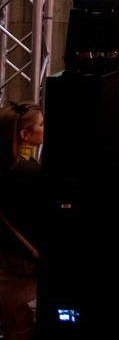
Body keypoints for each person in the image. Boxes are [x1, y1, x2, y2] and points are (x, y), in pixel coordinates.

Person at [0, 103, 44, 340]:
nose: (45, 128)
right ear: (24, 134)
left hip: (6, 267)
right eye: (41, 124)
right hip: (24, 274)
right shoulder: (29, 174)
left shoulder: (7, 166)